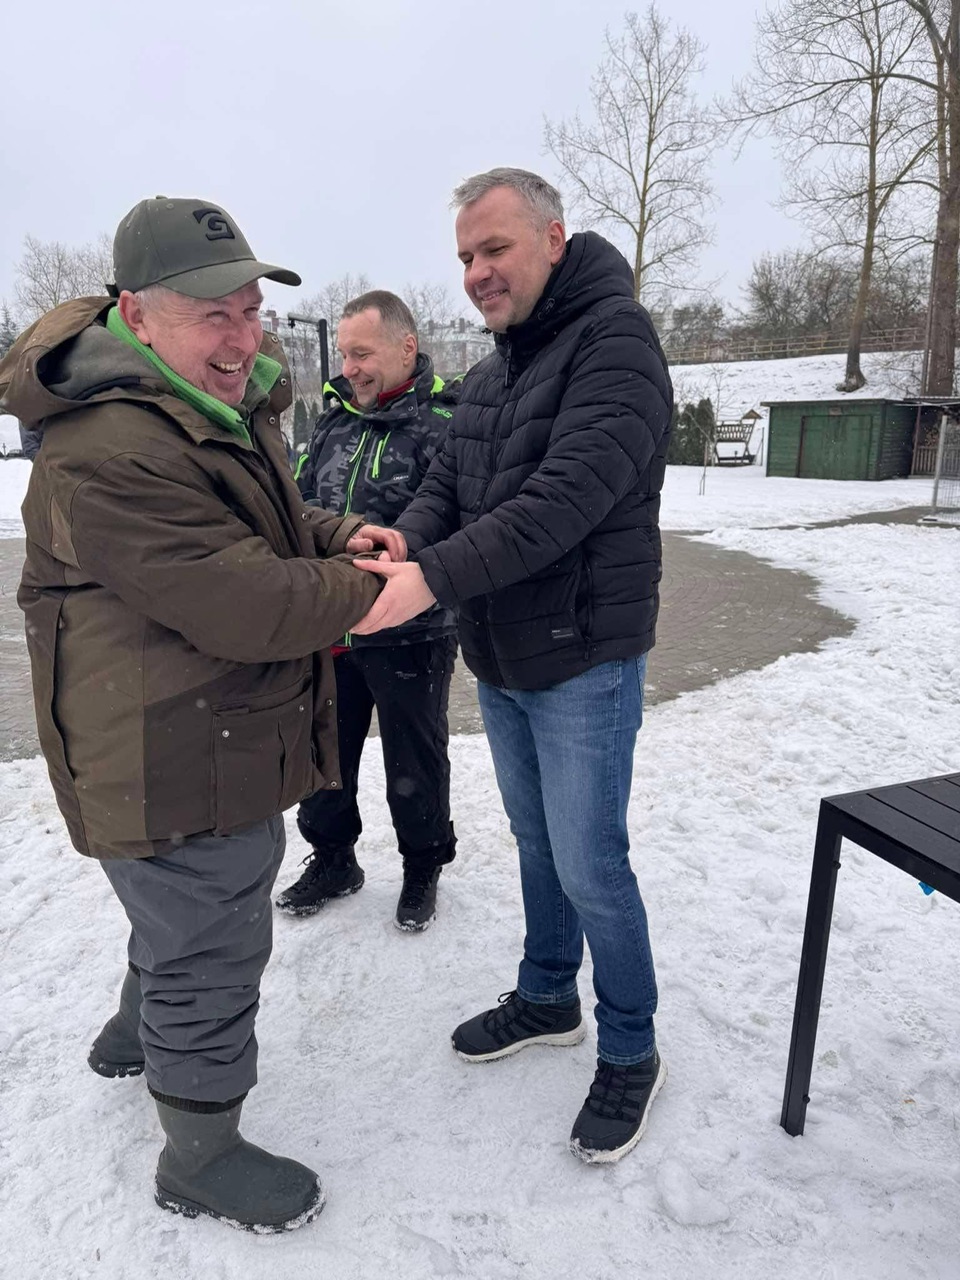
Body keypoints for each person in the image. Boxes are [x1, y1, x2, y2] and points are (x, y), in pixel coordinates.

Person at [0, 196, 399, 1232]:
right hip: (163, 746)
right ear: (136, 312)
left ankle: (135, 1034)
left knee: (185, 910)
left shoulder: (186, 400)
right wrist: (376, 592)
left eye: (251, 309)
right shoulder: (110, 444)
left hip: (191, 727)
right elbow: (244, 598)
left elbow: (256, 516)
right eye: (212, 311)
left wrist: (338, 533)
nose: (241, 336)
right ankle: (200, 1153)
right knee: (211, 940)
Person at [350, 168, 674, 1165]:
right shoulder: (495, 372)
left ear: (553, 238)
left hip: (583, 657)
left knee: (591, 862)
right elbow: (448, 485)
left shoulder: (616, 343)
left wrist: (432, 578)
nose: (477, 272)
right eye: (465, 257)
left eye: (494, 248)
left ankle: (631, 1045)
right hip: (504, 655)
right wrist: (401, 540)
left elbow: (562, 502)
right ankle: (546, 994)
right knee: (538, 846)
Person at [276, 291, 458, 931]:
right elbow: (298, 505)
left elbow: (459, 520)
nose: (348, 368)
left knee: (415, 757)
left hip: (414, 630)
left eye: (362, 353)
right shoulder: (332, 423)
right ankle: (333, 859)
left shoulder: (445, 425)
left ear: (407, 347)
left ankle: (422, 865)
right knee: (325, 751)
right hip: (332, 625)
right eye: (344, 354)